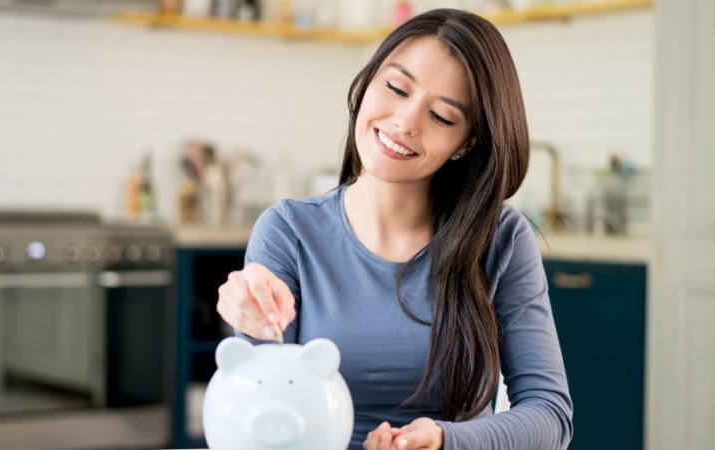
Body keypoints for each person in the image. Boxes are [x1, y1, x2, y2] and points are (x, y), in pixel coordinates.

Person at [215, 8, 573, 450]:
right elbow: (261, 418)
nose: (405, 122)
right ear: (369, 80)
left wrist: (444, 441)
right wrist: (256, 322)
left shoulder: (501, 238)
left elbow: (550, 415)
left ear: (467, 143)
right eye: (397, 88)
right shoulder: (288, 231)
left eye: (441, 116)